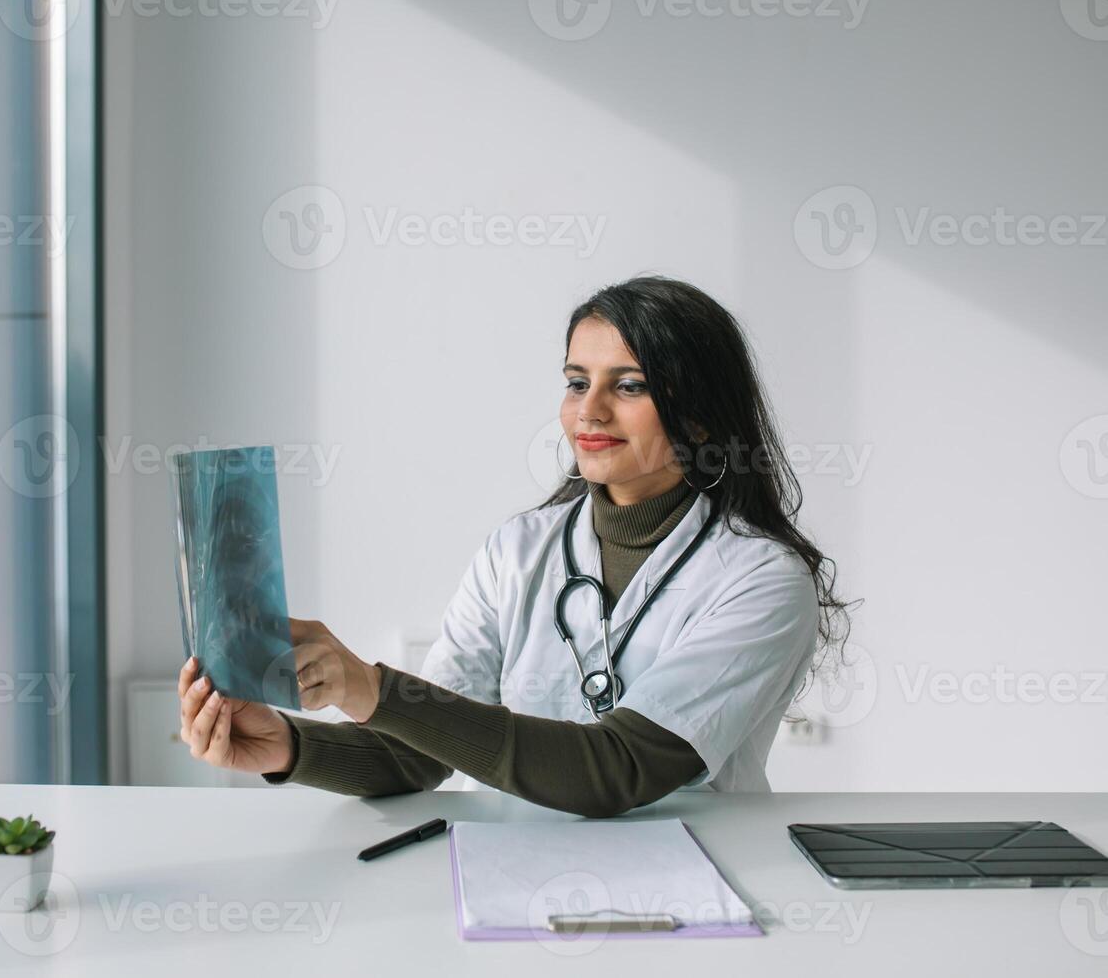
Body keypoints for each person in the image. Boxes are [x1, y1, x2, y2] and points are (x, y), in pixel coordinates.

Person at [177, 276, 853, 817]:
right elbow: (418, 755)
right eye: (576, 381)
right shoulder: (518, 550)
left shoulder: (761, 577)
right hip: (508, 880)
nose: (588, 412)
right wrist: (285, 747)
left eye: (629, 385)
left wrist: (370, 686)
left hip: (692, 886)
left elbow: (617, 770)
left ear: (702, 415)